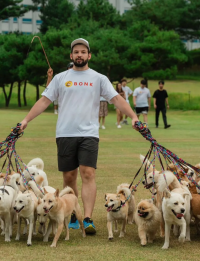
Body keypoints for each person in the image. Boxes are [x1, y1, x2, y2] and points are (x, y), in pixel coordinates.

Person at [18, 38, 138, 235]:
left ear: (89, 55)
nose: (80, 55)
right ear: (71, 56)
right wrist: (25, 120)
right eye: (76, 52)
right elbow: (44, 101)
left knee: (88, 173)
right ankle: (73, 213)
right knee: (69, 176)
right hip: (65, 133)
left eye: (83, 52)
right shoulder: (60, 78)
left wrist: (133, 116)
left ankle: (88, 218)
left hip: (89, 134)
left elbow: (116, 99)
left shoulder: (98, 78)